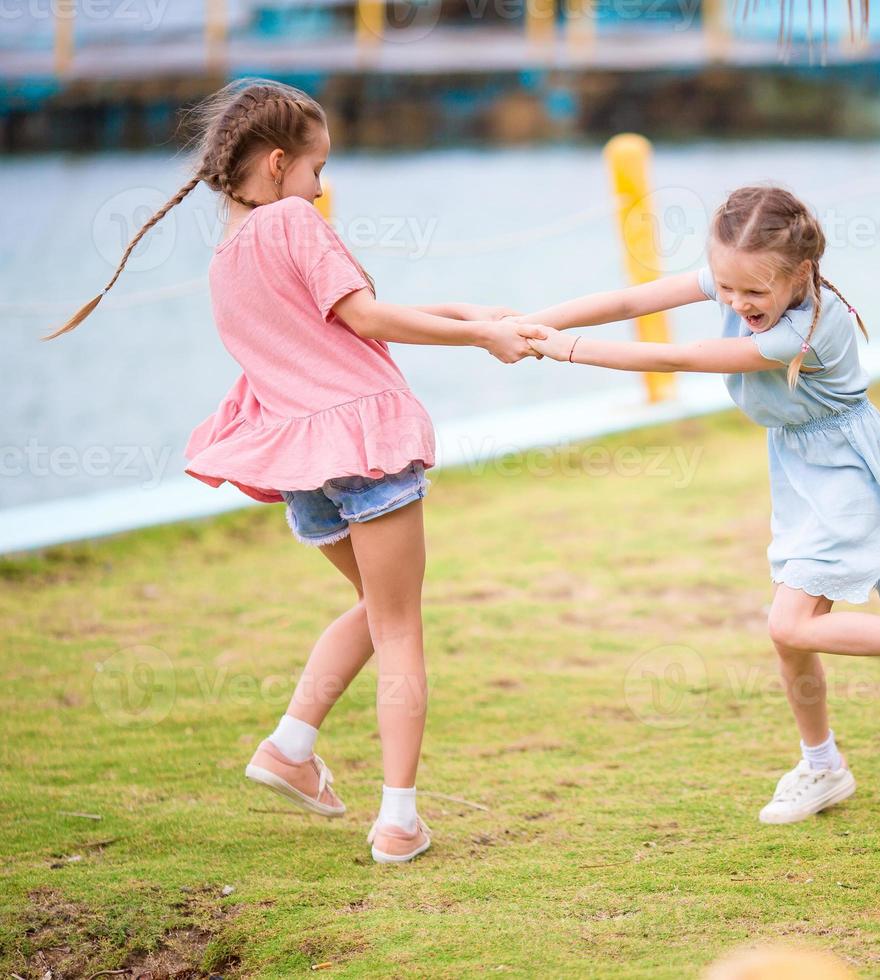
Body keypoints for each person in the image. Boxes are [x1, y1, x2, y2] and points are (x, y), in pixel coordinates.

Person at [46, 78, 544, 862]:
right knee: (403, 626)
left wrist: (479, 317)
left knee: (382, 614)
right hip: (362, 447)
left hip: (305, 468)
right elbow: (367, 320)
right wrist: (483, 342)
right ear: (279, 164)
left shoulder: (226, 258)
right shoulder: (295, 221)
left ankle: (289, 744)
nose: (322, 186)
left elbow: (340, 329)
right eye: (317, 169)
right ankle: (400, 820)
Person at [518, 185, 880, 824]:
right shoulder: (738, 277)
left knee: (790, 624)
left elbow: (681, 355)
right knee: (792, 635)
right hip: (801, 466)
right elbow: (631, 300)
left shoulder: (805, 329)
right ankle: (823, 766)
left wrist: (566, 349)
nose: (735, 303)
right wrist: (539, 320)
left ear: (801, 273)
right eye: (724, 288)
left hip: (841, 473)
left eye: (753, 293)